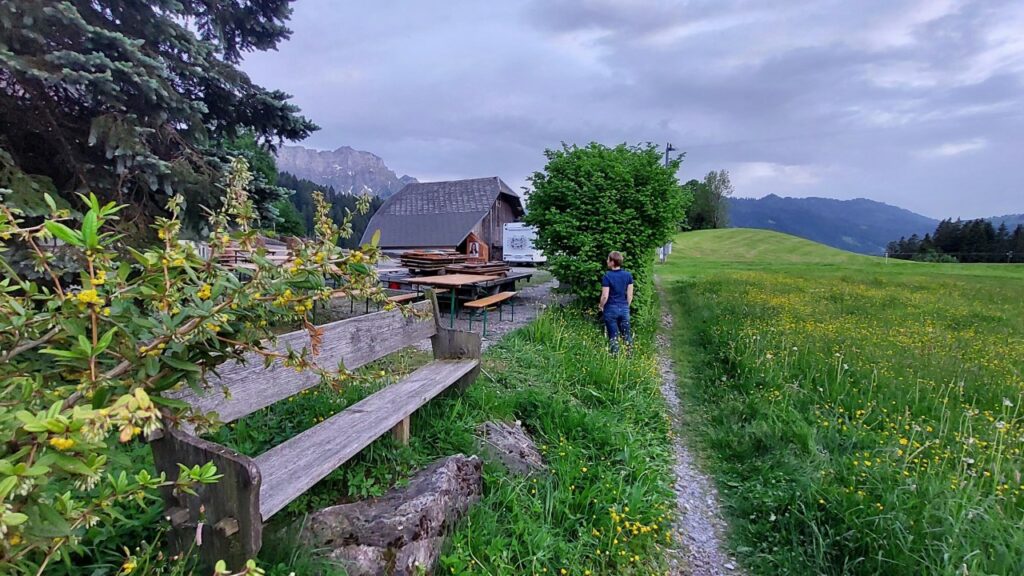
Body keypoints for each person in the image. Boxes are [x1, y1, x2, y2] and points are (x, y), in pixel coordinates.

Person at [598, 251, 634, 353]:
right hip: (624, 308)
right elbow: (630, 295)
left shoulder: (607, 276)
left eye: (608, 259)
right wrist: (626, 306)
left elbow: (605, 296)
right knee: (626, 335)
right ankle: (629, 356)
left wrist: (601, 306)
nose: (607, 261)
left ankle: (615, 358)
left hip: (610, 309)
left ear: (612, 262)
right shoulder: (628, 275)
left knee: (613, 336)